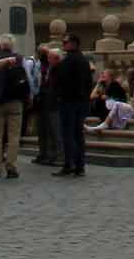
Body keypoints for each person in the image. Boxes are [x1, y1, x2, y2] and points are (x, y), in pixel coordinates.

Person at [0, 38, 28, 180]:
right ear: (12, 46)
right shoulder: (20, 59)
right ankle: (11, 167)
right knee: (13, 136)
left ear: (0, 45)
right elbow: (27, 79)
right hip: (15, 101)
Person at [50, 35, 93, 177]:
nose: (63, 44)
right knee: (78, 134)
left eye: (65, 42)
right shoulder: (84, 61)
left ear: (73, 44)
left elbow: (59, 80)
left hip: (68, 102)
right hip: (81, 102)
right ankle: (80, 165)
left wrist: (58, 95)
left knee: (67, 134)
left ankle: (69, 164)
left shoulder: (68, 61)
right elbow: (89, 83)